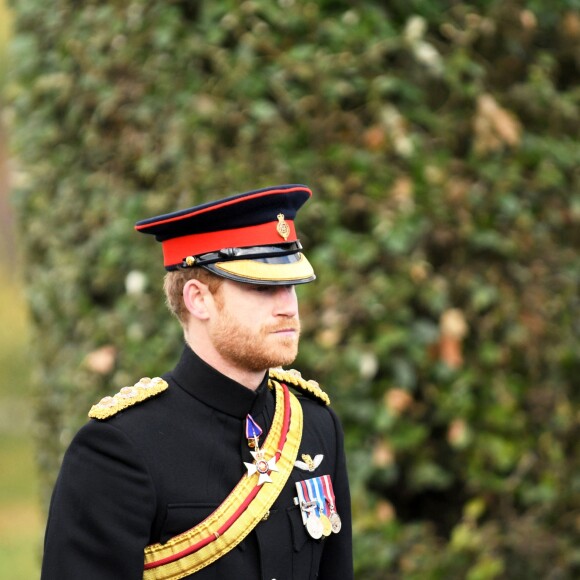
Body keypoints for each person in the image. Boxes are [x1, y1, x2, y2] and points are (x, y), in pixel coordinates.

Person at [41, 184, 353, 580]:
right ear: (198, 299)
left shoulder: (315, 425)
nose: (288, 307)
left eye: (291, 285)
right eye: (263, 288)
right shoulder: (120, 448)